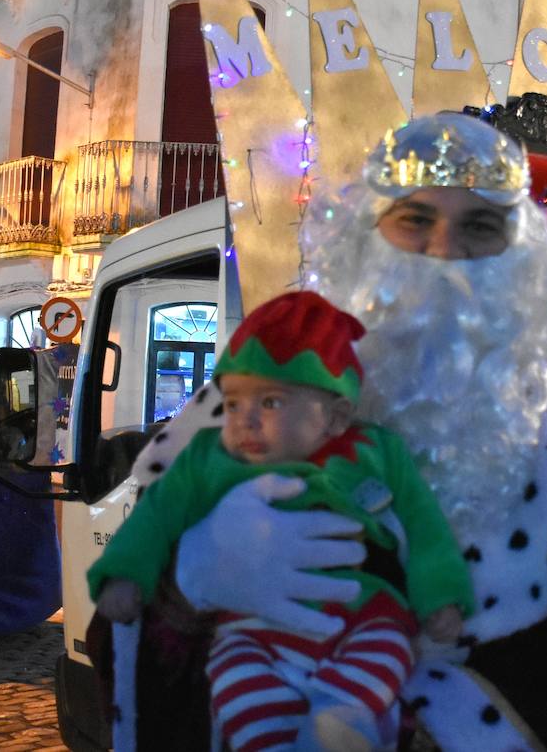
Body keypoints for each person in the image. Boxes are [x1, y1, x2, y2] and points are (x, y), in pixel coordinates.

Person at [130, 113, 547, 751]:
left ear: (521, 256)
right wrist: (190, 583)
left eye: (480, 227)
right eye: (415, 220)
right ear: (365, 239)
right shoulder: (272, 381)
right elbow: (134, 632)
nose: (443, 252)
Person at [88, 291, 475, 751]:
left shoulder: (376, 451)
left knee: (388, 645)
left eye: (270, 402)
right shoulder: (206, 456)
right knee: (233, 670)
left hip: (362, 613)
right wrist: (129, 575)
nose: (245, 421)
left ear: (336, 417)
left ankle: (341, 718)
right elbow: (154, 518)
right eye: (233, 404)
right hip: (253, 628)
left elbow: (425, 527)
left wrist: (441, 596)